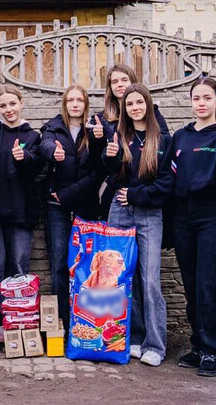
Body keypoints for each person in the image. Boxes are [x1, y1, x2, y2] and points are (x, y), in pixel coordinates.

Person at [171, 77, 216, 377]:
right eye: (196, 98)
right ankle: (198, 345)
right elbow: (170, 176)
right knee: (191, 283)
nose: (201, 103)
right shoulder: (180, 137)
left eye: (207, 98)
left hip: (213, 214)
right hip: (183, 216)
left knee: (210, 284)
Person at [101, 83, 172, 366]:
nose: (135, 108)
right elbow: (113, 176)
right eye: (129, 104)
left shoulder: (162, 139)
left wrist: (136, 195)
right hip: (119, 211)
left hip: (149, 213)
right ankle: (134, 337)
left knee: (150, 279)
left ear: (148, 104)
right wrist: (109, 157)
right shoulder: (119, 136)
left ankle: (155, 345)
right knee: (123, 278)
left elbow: (166, 184)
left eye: (139, 102)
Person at [0, 84, 44, 342]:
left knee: (18, 267)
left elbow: (38, 166)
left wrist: (24, 158)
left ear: (22, 103)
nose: (8, 109)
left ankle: (20, 320)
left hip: (21, 211)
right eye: (3, 105)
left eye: (12, 103)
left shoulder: (33, 136)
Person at [40, 85, 104, 327]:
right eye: (70, 100)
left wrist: (68, 194)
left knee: (87, 264)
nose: (75, 104)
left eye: (79, 100)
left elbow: (98, 171)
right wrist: (52, 153)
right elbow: (45, 145)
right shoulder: (54, 127)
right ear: (65, 104)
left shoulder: (95, 129)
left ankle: (86, 320)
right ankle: (62, 324)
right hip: (56, 205)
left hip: (85, 203)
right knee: (59, 262)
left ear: (86, 103)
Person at [92, 64, 169, 220]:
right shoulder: (102, 118)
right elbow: (96, 159)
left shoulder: (152, 114)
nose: (120, 84)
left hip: (145, 188)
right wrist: (97, 139)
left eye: (124, 79)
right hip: (115, 187)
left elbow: (162, 146)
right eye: (114, 82)